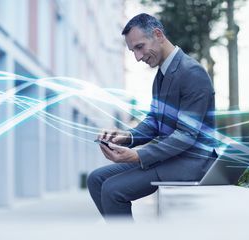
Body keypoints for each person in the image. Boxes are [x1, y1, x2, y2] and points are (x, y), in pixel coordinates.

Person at [87, 13, 217, 220]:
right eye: (133, 51)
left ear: (158, 34)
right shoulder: (162, 75)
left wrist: (138, 156)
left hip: (191, 162)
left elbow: (186, 135)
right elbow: (155, 121)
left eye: (139, 47)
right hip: (171, 157)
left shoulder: (192, 73)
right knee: (95, 179)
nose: (138, 57)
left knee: (113, 189)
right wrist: (127, 137)